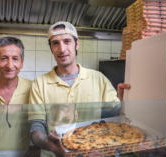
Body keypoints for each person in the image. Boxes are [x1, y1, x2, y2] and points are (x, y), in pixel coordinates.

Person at [28, 21, 130, 157]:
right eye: (55, 43)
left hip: (93, 152)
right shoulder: (39, 84)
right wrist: (48, 143)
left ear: (77, 44)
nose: (62, 49)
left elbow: (115, 115)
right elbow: (36, 127)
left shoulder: (98, 79)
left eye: (67, 41)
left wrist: (124, 102)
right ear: (51, 48)